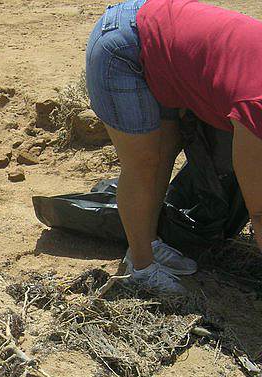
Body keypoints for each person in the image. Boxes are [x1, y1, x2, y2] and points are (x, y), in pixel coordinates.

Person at [86, 0, 262, 294]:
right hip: (123, 47)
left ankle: (149, 242)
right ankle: (140, 266)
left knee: (165, 150)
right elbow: (259, 212)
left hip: (167, 46)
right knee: (143, 162)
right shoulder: (256, 106)